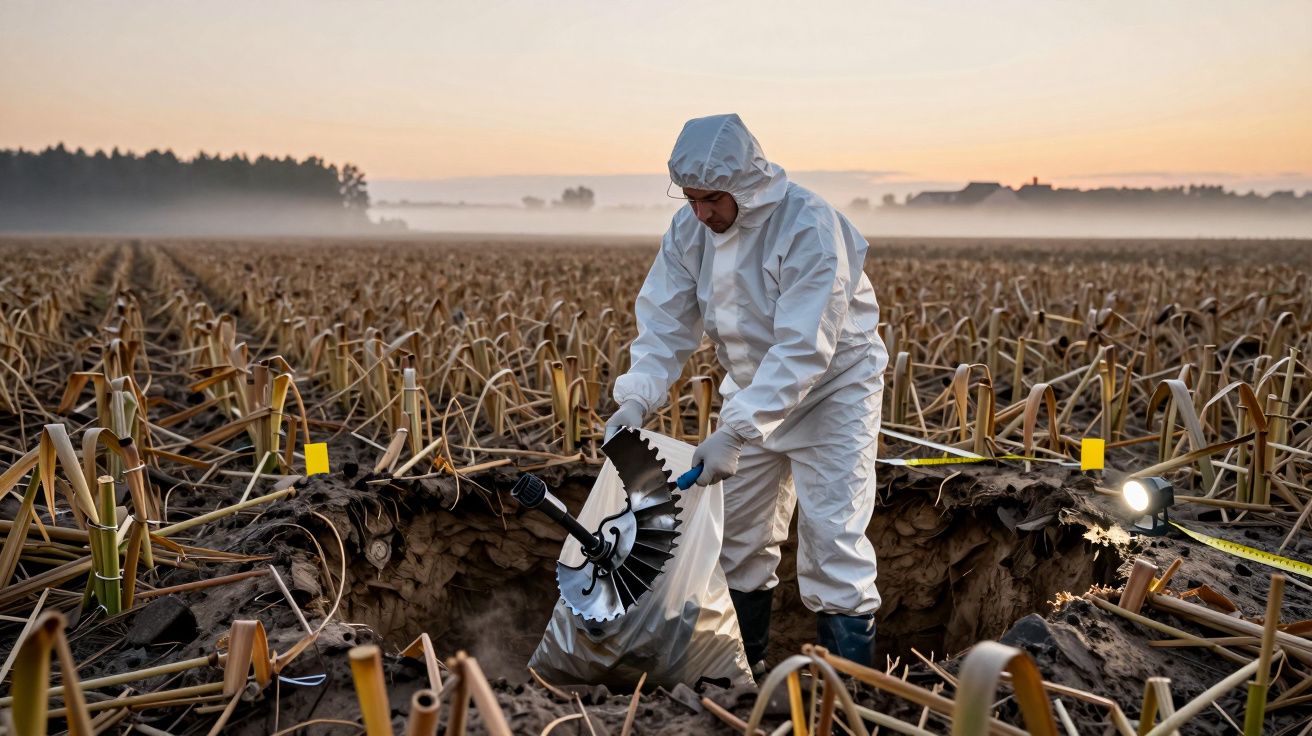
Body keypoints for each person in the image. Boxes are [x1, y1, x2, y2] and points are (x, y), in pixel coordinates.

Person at [604, 113, 888, 673]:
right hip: (753, 392)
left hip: (835, 395)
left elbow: (805, 347)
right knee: (735, 542)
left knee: (833, 545)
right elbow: (666, 322)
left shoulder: (807, 226)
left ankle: (850, 694)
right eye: (690, 197)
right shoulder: (690, 231)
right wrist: (634, 398)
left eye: (711, 198)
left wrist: (734, 430)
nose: (701, 211)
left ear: (744, 185)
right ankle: (742, 678)